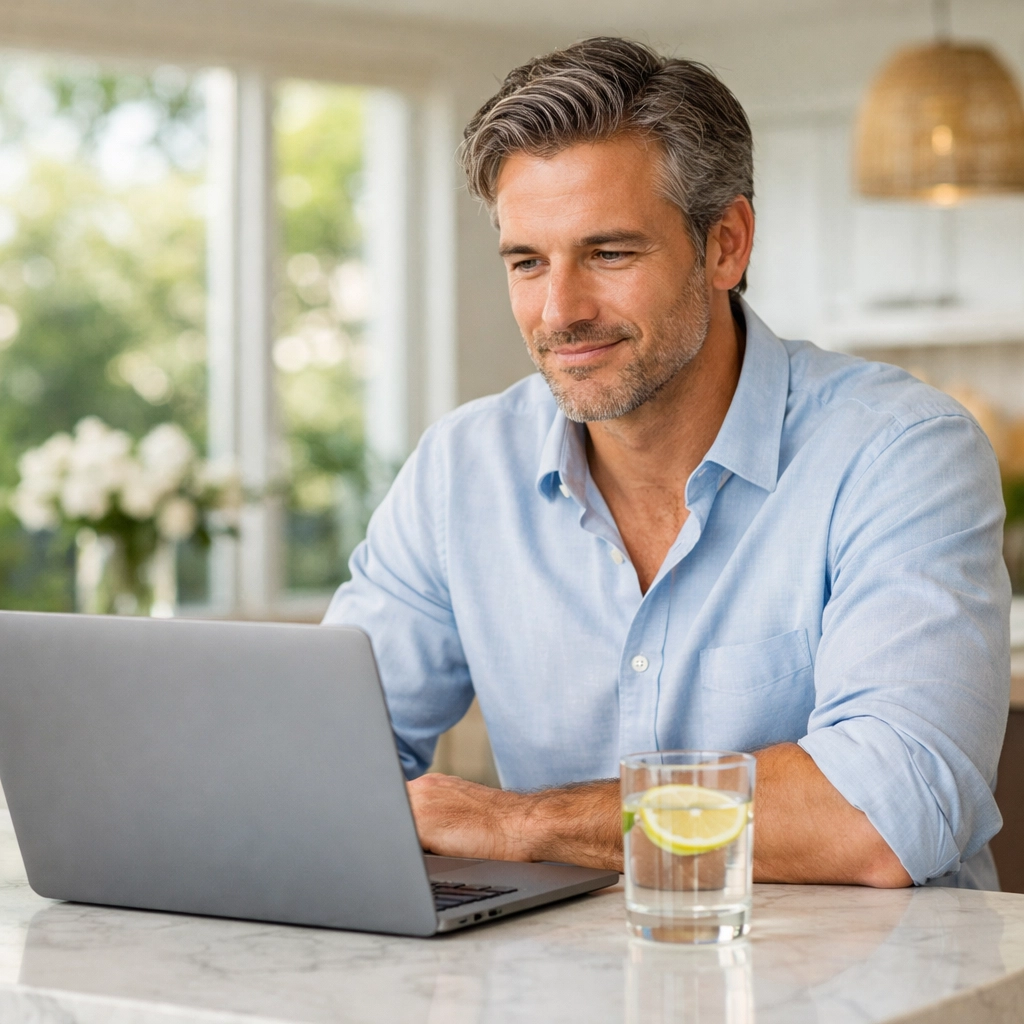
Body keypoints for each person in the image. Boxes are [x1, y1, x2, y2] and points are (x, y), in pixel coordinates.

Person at [323, 37, 1010, 889]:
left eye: (609, 254)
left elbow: (887, 812)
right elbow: (325, 757)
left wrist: (526, 821)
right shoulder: (460, 470)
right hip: (562, 981)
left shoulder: (899, 451)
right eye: (527, 262)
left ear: (726, 243)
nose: (560, 310)